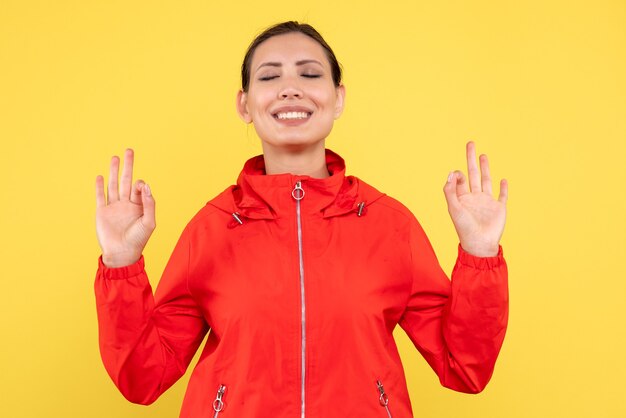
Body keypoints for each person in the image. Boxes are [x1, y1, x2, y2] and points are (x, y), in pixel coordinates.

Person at [94, 21, 508, 418]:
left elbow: (465, 368)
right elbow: (144, 379)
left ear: (338, 98)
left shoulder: (389, 225)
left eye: (309, 74)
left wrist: (480, 254)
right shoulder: (212, 228)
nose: (290, 90)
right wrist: (120, 265)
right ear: (245, 104)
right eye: (269, 77)